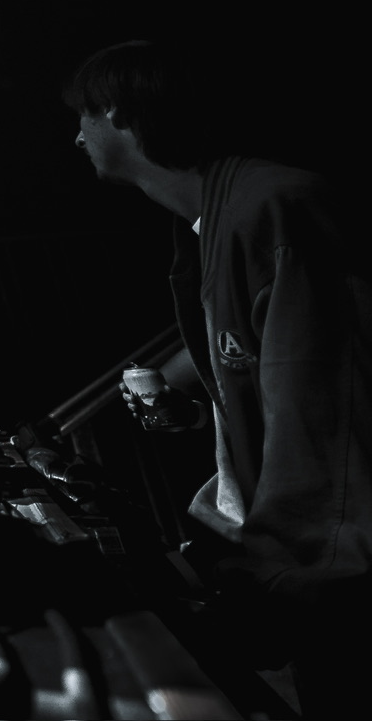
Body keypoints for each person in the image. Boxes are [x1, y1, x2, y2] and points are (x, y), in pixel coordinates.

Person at [67, 40, 370, 714]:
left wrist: (266, 574)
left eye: (84, 116)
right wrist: (204, 417)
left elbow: (328, 420)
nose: (75, 135)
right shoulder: (210, 227)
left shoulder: (276, 207)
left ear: (117, 111)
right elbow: (284, 386)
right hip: (314, 565)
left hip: (338, 576)